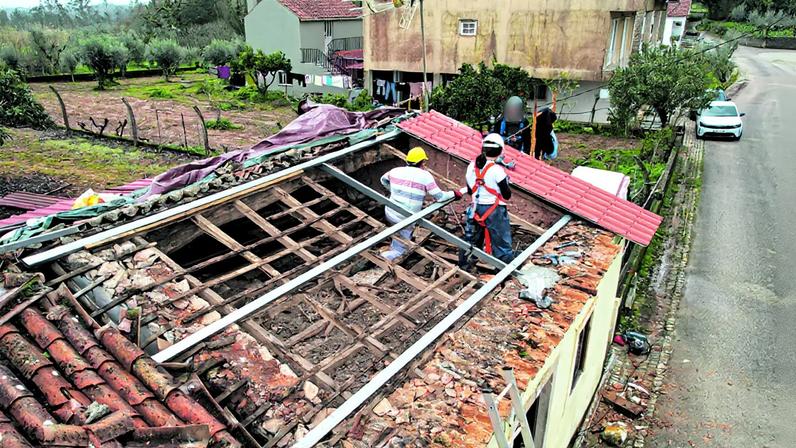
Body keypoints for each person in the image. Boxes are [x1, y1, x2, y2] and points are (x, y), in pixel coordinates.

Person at [380, 147, 462, 261]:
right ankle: (389, 256)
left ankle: (396, 242)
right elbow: (440, 197)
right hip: (406, 218)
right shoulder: (425, 176)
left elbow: (383, 180)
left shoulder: (395, 171)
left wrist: (392, 190)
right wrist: (454, 194)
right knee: (402, 239)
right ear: (422, 162)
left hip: (390, 212)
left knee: (397, 230)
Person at [459, 134, 515, 269]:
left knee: (471, 239)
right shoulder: (497, 170)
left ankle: (465, 265)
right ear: (500, 152)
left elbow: (470, 190)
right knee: (501, 242)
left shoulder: (471, 166)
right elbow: (507, 195)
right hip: (494, 210)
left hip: (475, 209)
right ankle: (503, 269)